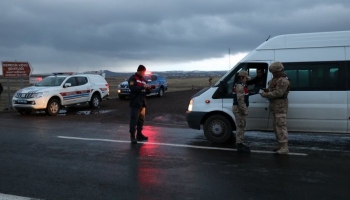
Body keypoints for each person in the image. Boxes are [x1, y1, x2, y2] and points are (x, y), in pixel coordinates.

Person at [260, 62, 290, 154]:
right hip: (275, 106)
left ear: (279, 71)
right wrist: (268, 90)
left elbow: (279, 93)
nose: (273, 74)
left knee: (281, 126)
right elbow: (274, 90)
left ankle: (285, 147)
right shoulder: (276, 80)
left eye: (274, 72)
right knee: (276, 126)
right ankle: (280, 144)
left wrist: (266, 94)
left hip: (280, 106)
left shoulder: (283, 81)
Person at [128, 65, 154, 144]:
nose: (144, 73)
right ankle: (133, 136)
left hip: (142, 103)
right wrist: (143, 87)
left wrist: (149, 89)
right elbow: (133, 88)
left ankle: (139, 135)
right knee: (134, 120)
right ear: (139, 71)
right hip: (135, 103)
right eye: (143, 72)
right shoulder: (133, 78)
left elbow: (146, 91)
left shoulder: (143, 80)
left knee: (141, 120)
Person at [232, 70, 251, 153]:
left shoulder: (241, 85)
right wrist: (244, 110)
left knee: (241, 126)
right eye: (246, 78)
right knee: (240, 126)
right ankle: (239, 144)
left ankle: (240, 143)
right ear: (242, 77)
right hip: (239, 109)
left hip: (239, 108)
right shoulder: (240, 86)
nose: (246, 80)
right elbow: (240, 100)